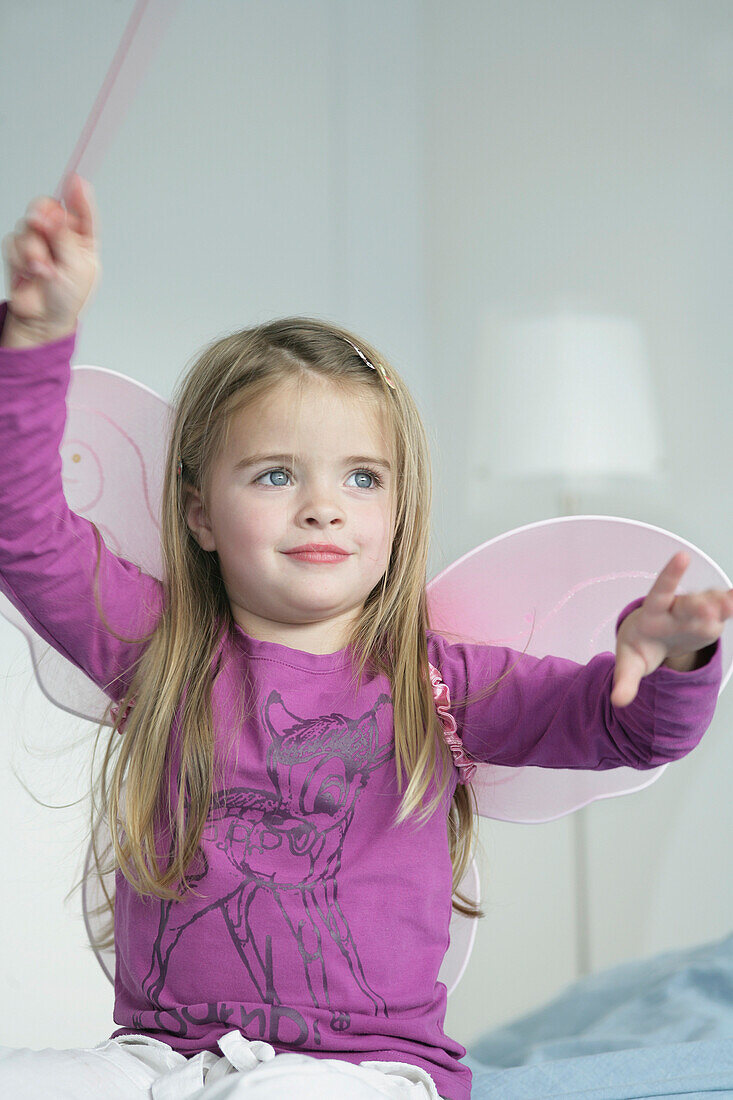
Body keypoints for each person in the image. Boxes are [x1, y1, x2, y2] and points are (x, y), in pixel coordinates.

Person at [0, 175, 729, 1100]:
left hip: (363, 1071)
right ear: (199, 514)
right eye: (273, 475)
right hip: (159, 1056)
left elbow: (633, 731)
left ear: (396, 510)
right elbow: (20, 527)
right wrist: (34, 337)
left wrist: (671, 659)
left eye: (360, 479)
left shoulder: (439, 684)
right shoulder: (159, 651)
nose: (320, 507)